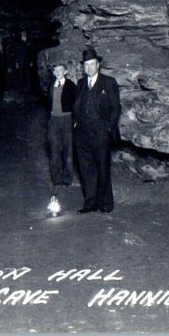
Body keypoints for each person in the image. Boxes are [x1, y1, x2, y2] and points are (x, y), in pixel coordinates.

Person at [72, 47, 121, 213]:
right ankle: (90, 203)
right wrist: (75, 125)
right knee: (86, 169)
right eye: (86, 65)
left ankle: (105, 204)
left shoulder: (108, 82)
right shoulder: (80, 84)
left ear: (98, 65)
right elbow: (76, 107)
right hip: (82, 135)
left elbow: (116, 108)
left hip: (100, 133)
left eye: (92, 64)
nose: (89, 68)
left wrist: (108, 128)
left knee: (102, 168)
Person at [46, 62, 77, 191]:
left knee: (68, 150)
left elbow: (76, 103)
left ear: (65, 72)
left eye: (60, 70)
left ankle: (67, 178)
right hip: (53, 120)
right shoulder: (51, 85)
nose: (58, 72)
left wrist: (75, 119)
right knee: (54, 150)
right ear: (53, 72)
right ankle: (56, 178)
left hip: (67, 119)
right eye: (56, 70)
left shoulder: (71, 86)